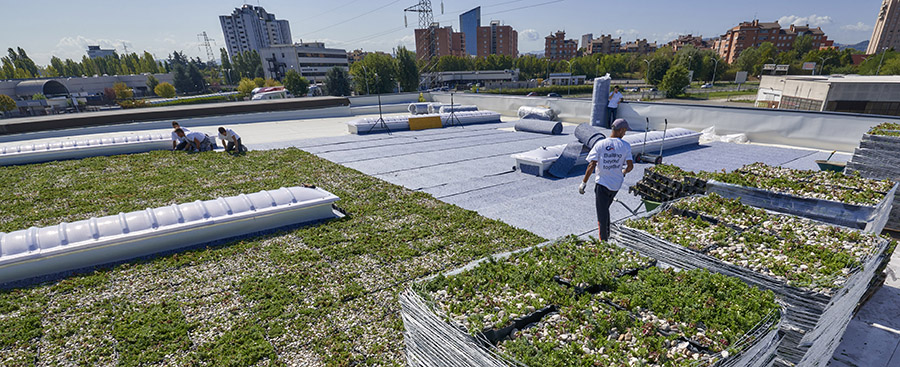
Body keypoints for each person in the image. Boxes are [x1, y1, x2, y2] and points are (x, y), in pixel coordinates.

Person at [579, 118, 634, 241]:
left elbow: (591, 165)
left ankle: (603, 240)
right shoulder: (625, 146)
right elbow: (630, 166)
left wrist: (584, 182)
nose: (625, 134)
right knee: (605, 209)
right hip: (616, 185)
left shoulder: (600, 144)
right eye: (625, 132)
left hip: (602, 184)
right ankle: (607, 233)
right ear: (620, 130)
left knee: (601, 213)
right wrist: (623, 172)